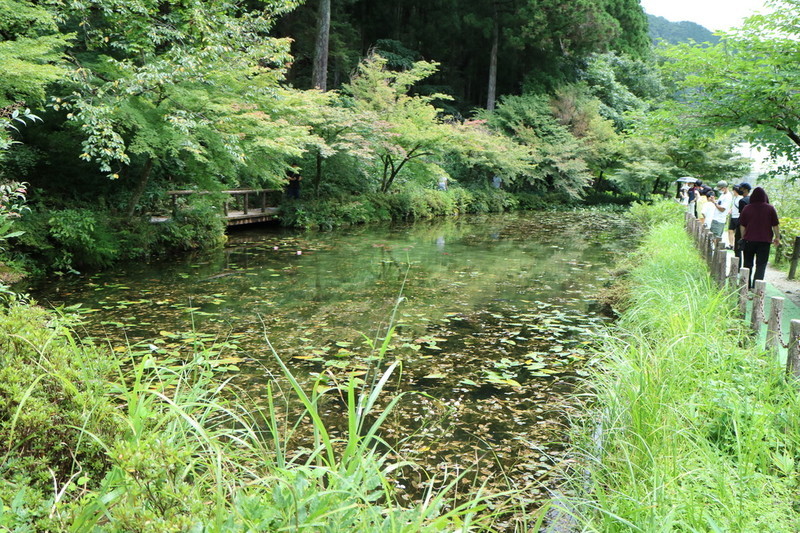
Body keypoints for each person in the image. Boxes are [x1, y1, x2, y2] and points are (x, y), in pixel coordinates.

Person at [739, 186, 780, 288]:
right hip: (764, 241)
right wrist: (777, 237)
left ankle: (746, 286)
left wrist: (743, 237)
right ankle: (757, 287)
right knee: (761, 265)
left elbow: (742, 225)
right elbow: (775, 225)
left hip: (749, 240)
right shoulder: (770, 208)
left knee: (747, 263)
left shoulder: (747, 208)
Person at [733, 182, 752, 262]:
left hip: (742, 225)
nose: (739, 190)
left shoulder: (742, 201)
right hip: (751, 226)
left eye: (741, 188)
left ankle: (737, 268)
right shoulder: (752, 200)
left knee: (738, 248)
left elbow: (742, 215)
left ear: (745, 189)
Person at [727, 185, 742, 250]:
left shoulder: (740, 198)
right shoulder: (734, 198)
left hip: (738, 216)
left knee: (737, 233)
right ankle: (731, 244)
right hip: (733, 216)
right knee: (730, 230)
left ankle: (737, 246)